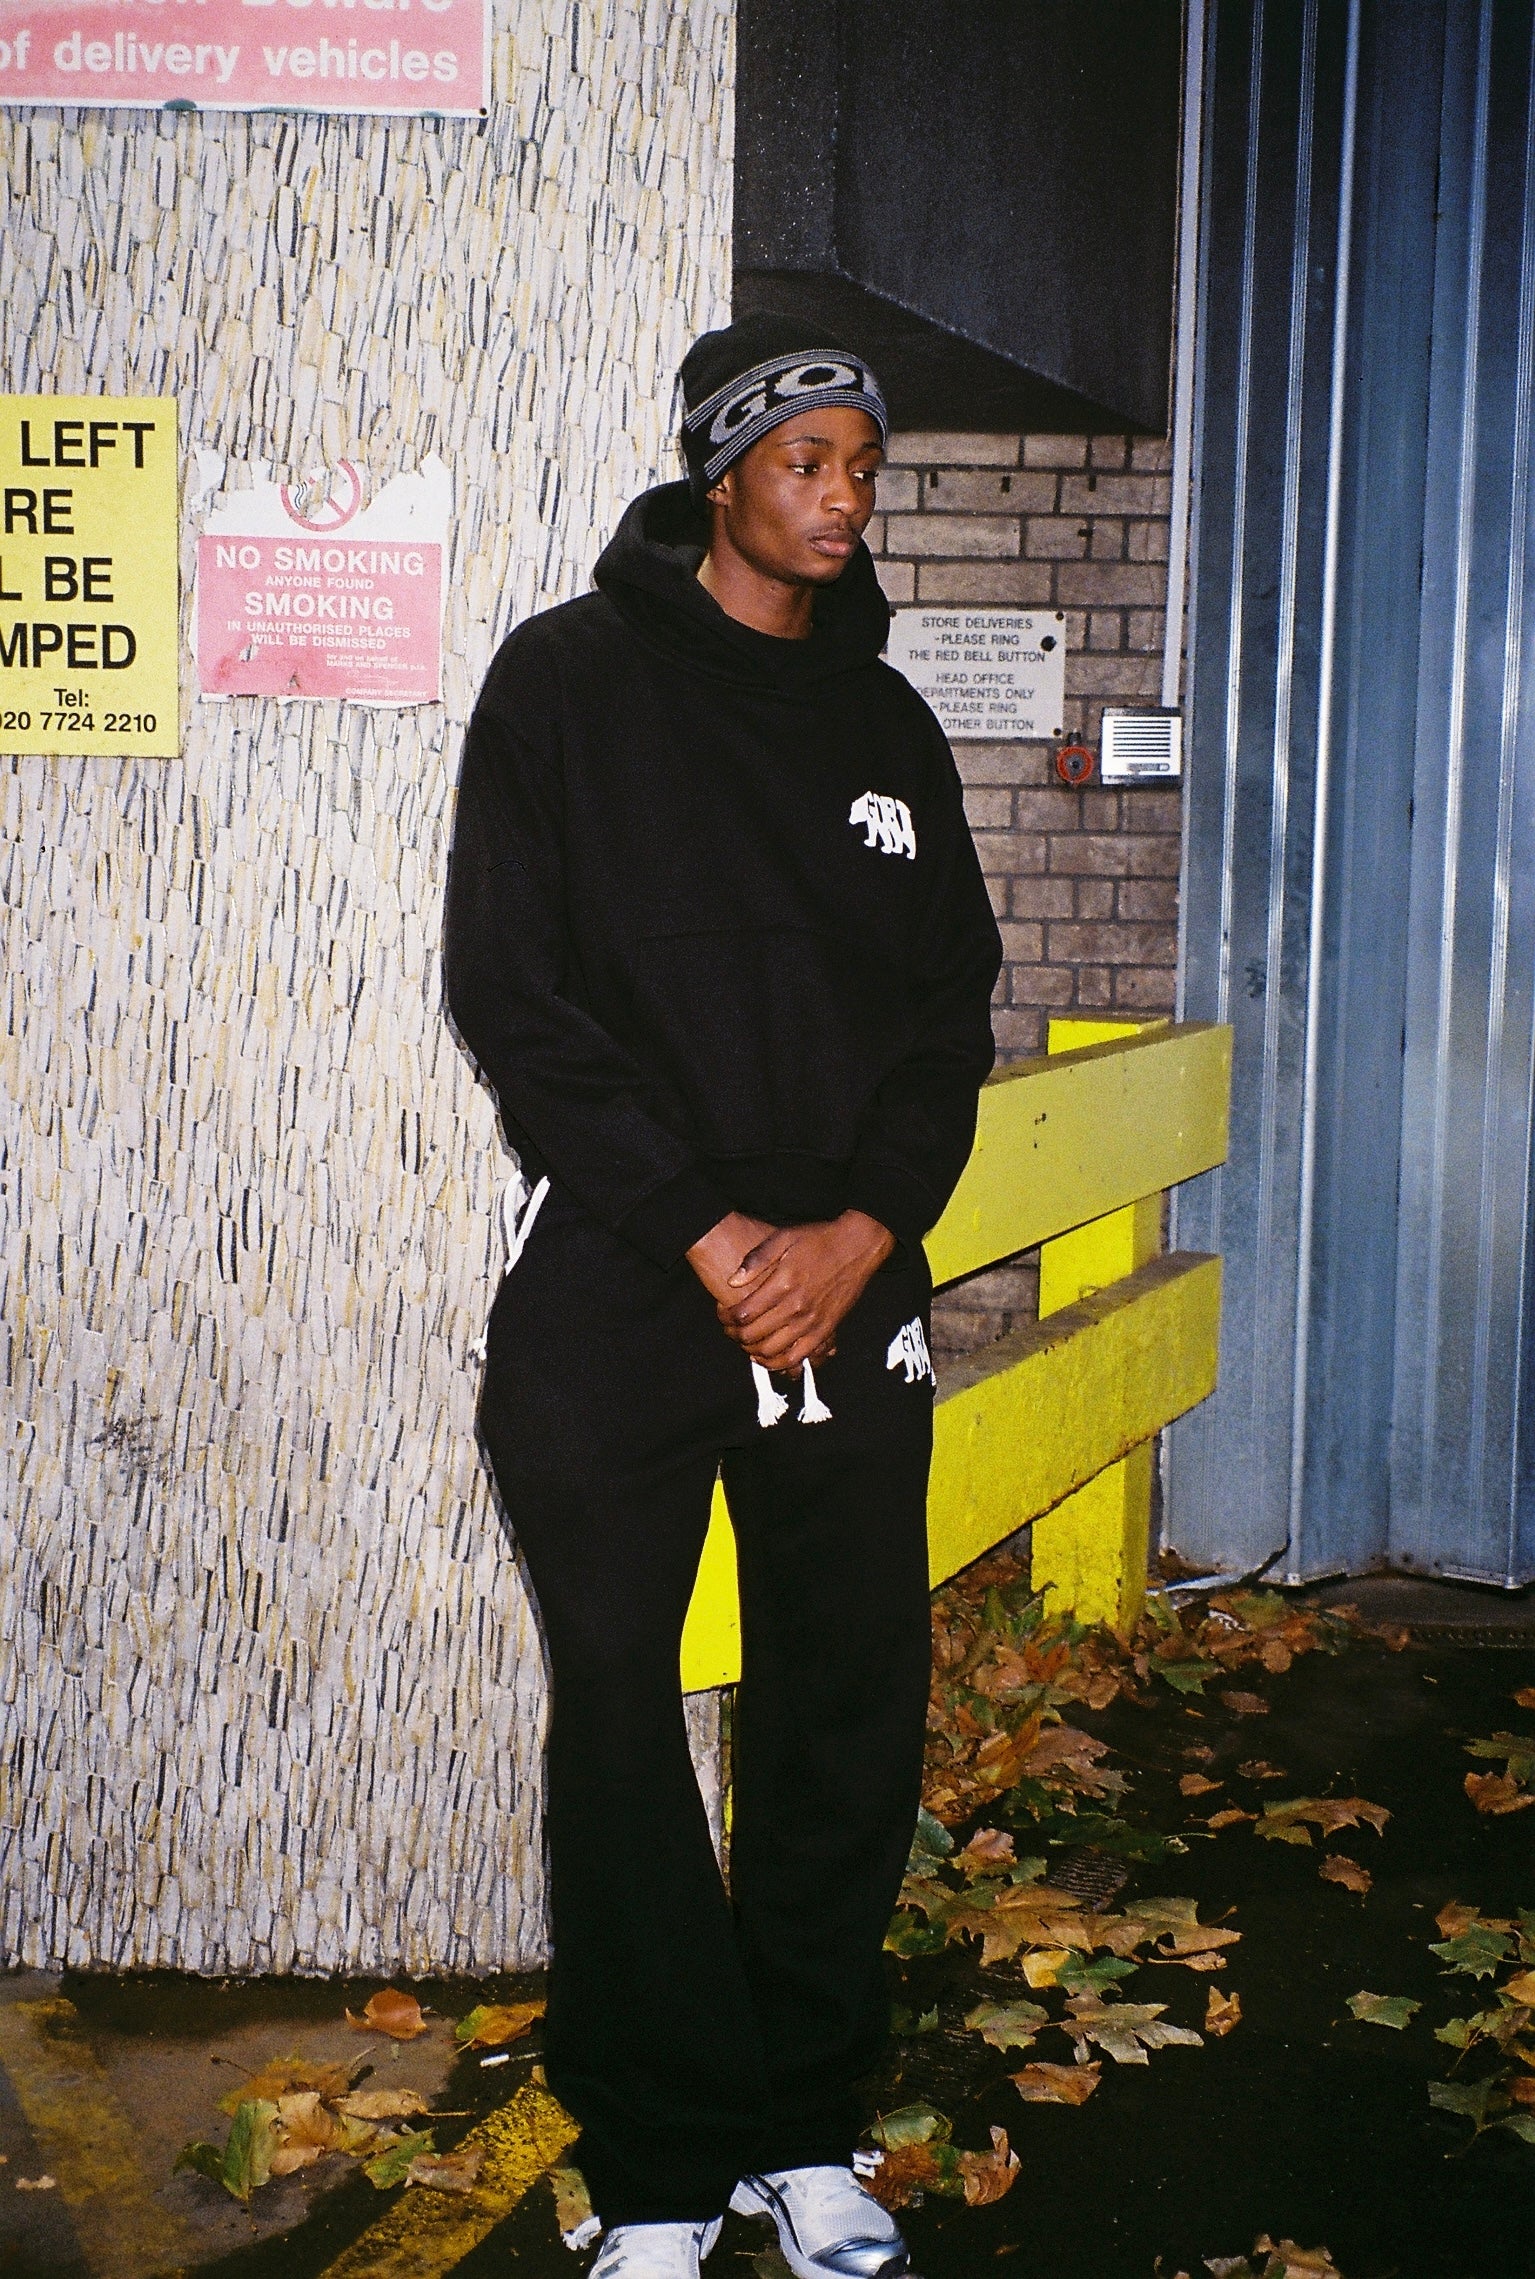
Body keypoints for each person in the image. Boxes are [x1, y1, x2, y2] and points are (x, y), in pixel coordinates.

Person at [444, 313, 1002, 2279]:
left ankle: (803, 2126)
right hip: (624, 1271)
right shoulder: (567, 684)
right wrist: (705, 1233)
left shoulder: (889, 728)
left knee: (845, 1697)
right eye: (809, 463)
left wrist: (860, 1233)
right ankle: (666, 2162)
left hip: (848, 1285)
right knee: (617, 1709)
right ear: (720, 475)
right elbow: (512, 990)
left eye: (867, 467)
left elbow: (949, 1015)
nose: (848, 499)